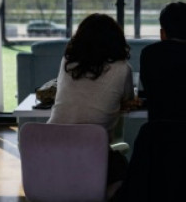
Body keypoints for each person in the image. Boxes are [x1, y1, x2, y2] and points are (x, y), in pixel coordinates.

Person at [48, 13, 134, 184]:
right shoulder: (123, 69)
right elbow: (128, 99)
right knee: (124, 169)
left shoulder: (67, 63)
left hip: (51, 154)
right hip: (94, 156)